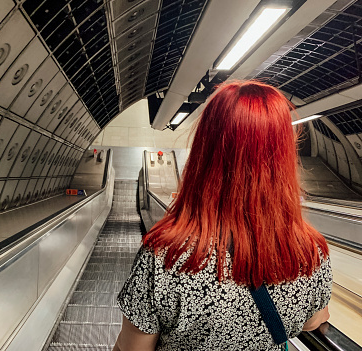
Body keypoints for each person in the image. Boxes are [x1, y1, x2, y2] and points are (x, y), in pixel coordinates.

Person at [113, 81, 332, 351]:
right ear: (284, 155)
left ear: (204, 150)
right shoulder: (309, 252)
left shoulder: (167, 254)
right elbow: (314, 321)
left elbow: (133, 348)